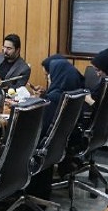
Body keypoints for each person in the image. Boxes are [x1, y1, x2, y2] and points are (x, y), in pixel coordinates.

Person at [26, 58, 85, 199]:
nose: (48, 78)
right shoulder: (73, 94)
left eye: (49, 75)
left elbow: (42, 128)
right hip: (56, 148)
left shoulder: (54, 99)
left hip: (42, 149)